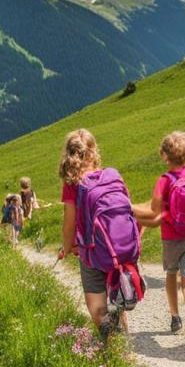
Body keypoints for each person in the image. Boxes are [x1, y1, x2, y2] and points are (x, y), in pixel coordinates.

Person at [131, 131, 185, 347]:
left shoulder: (165, 180)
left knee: (171, 277)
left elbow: (154, 211)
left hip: (171, 239)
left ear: (164, 156)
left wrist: (128, 207)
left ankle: (175, 318)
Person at [57, 128, 129, 335]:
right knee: (116, 297)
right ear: (94, 151)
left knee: (97, 308)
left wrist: (68, 247)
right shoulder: (111, 176)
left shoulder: (72, 184)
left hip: (90, 250)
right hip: (118, 248)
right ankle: (123, 343)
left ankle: (113, 352)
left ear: (69, 154)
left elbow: (69, 224)